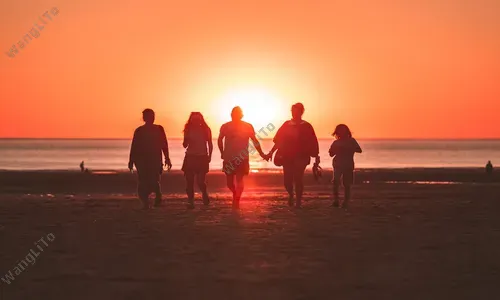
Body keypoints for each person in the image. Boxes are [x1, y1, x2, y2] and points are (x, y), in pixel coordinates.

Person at [266, 103, 320, 208]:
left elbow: (313, 141)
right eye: (293, 111)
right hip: (287, 156)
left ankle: (298, 201)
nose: (294, 113)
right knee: (287, 181)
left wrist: (316, 156)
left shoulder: (307, 126)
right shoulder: (286, 125)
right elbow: (279, 141)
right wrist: (271, 153)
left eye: (297, 111)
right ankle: (291, 194)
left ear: (301, 112)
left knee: (298, 178)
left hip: (302, 156)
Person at [218, 106, 268, 209]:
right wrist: (222, 152)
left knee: (239, 179)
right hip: (228, 157)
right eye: (234, 114)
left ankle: (237, 199)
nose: (235, 116)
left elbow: (254, 141)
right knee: (229, 183)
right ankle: (235, 193)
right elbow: (219, 139)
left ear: (241, 115)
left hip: (242, 157)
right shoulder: (225, 126)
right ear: (231, 115)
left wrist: (262, 153)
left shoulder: (247, 126)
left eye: (237, 114)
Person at [128, 109, 172, 209]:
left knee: (151, 180)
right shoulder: (139, 130)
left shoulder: (158, 129)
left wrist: (167, 158)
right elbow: (134, 146)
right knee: (145, 181)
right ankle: (146, 202)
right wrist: (131, 160)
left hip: (153, 160)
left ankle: (154, 198)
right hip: (143, 160)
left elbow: (164, 144)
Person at [182, 112, 213, 209]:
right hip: (190, 156)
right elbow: (184, 145)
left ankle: (204, 193)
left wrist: (209, 156)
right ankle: (190, 201)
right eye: (194, 119)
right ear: (191, 120)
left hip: (202, 157)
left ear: (201, 120)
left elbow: (210, 144)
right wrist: (186, 139)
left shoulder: (205, 130)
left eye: (198, 119)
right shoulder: (188, 129)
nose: (196, 121)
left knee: (200, 181)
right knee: (189, 181)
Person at [328, 124, 362, 209]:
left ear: (346, 131)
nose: (341, 132)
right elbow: (331, 154)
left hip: (348, 164)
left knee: (347, 184)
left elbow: (359, 150)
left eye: (343, 130)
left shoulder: (351, 141)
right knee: (336, 182)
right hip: (337, 164)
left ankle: (346, 201)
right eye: (339, 130)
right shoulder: (336, 142)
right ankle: (336, 200)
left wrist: (349, 148)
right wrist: (336, 150)